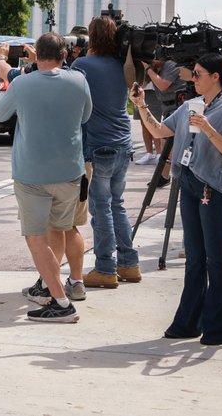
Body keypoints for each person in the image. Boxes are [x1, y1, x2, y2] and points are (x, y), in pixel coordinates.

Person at [131, 52, 222, 345]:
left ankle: (218, 328)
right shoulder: (190, 106)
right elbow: (158, 130)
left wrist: (207, 128)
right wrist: (141, 104)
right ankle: (188, 323)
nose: (192, 79)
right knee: (195, 257)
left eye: (197, 74)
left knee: (216, 259)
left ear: (215, 77)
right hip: (190, 184)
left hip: (215, 187)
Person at [0, 32, 92, 322]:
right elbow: (86, 116)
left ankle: (60, 303)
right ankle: (54, 289)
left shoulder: (22, 83)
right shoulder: (79, 80)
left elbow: (0, 115)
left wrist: (6, 77)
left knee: (36, 238)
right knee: (59, 230)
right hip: (70, 171)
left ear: (36, 54)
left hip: (32, 172)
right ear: (65, 55)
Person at [71, 16, 141, 289]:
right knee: (116, 203)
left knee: (101, 209)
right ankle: (129, 263)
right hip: (124, 142)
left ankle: (105, 267)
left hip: (99, 144)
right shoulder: (121, 65)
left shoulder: (82, 65)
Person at [142, 57, 186, 187]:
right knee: (165, 143)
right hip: (167, 108)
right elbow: (143, 84)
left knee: (168, 143)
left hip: (178, 107)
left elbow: (162, 85)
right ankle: (164, 176)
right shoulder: (155, 69)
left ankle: (168, 176)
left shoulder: (171, 64)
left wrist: (148, 69)